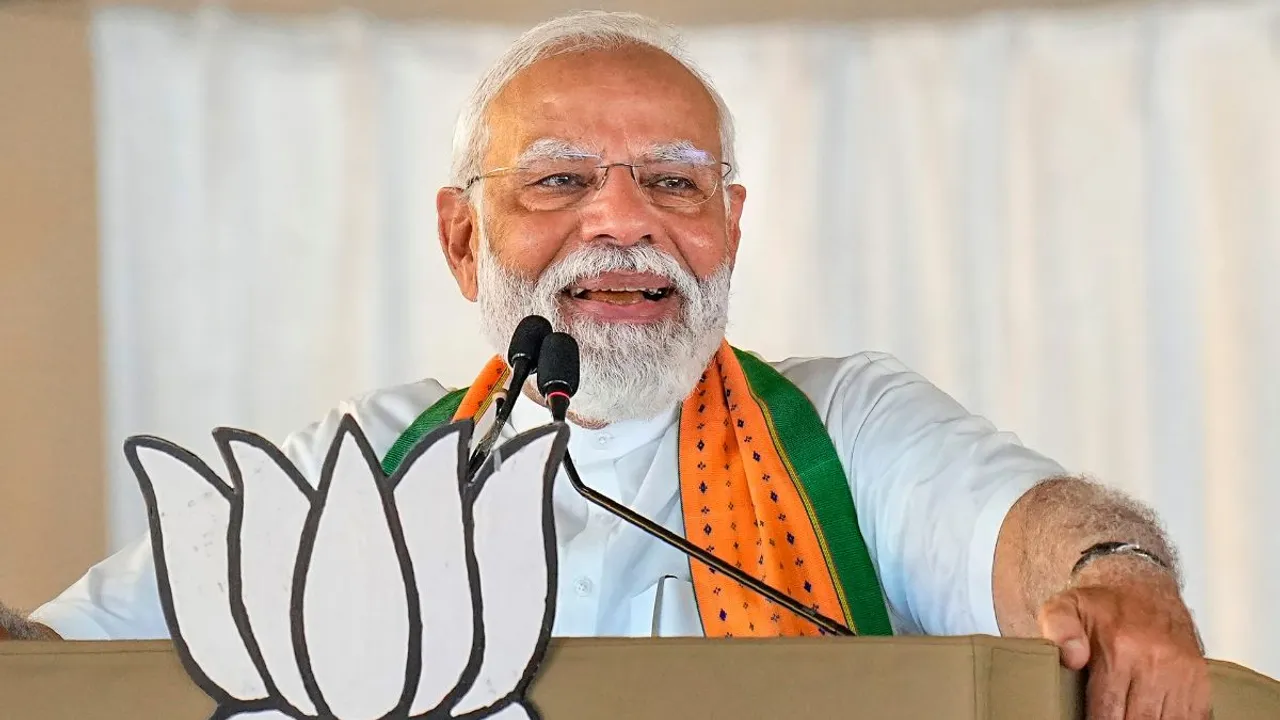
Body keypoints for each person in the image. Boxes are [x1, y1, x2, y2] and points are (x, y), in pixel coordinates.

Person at [1, 10, 1208, 719]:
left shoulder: (845, 423)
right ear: (461, 236)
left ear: (729, 227)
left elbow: (1035, 528)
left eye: (673, 182)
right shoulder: (368, 459)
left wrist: (1118, 574)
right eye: (560, 181)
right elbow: (69, 663)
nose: (622, 221)